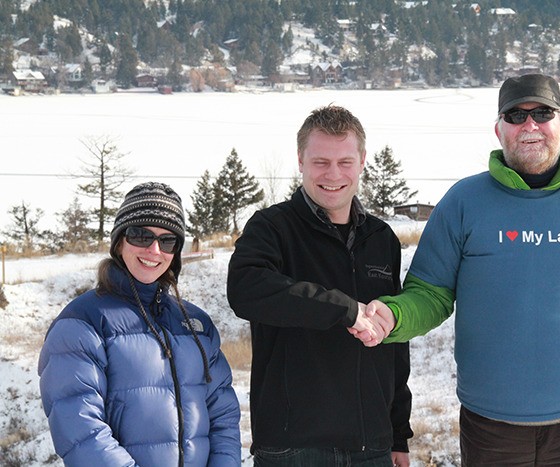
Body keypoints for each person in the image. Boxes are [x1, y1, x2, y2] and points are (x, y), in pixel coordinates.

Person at [359, 74, 560, 466]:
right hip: (491, 430)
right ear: (499, 129)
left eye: (543, 113)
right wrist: (394, 316)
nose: (530, 125)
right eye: (516, 115)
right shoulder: (463, 202)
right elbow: (430, 294)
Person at [226, 104, 413, 466]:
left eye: (345, 162)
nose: (333, 174)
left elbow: (395, 346)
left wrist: (397, 433)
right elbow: (246, 289)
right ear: (300, 160)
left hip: (371, 447)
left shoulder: (381, 238)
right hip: (293, 447)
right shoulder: (272, 227)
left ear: (362, 162)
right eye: (320, 162)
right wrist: (344, 310)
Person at [38, 182, 241, 466]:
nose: (154, 250)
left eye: (168, 240)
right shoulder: (83, 322)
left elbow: (224, 417)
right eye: (141, 236)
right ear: (120, 241)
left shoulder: (196, 325)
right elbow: (81, 429)